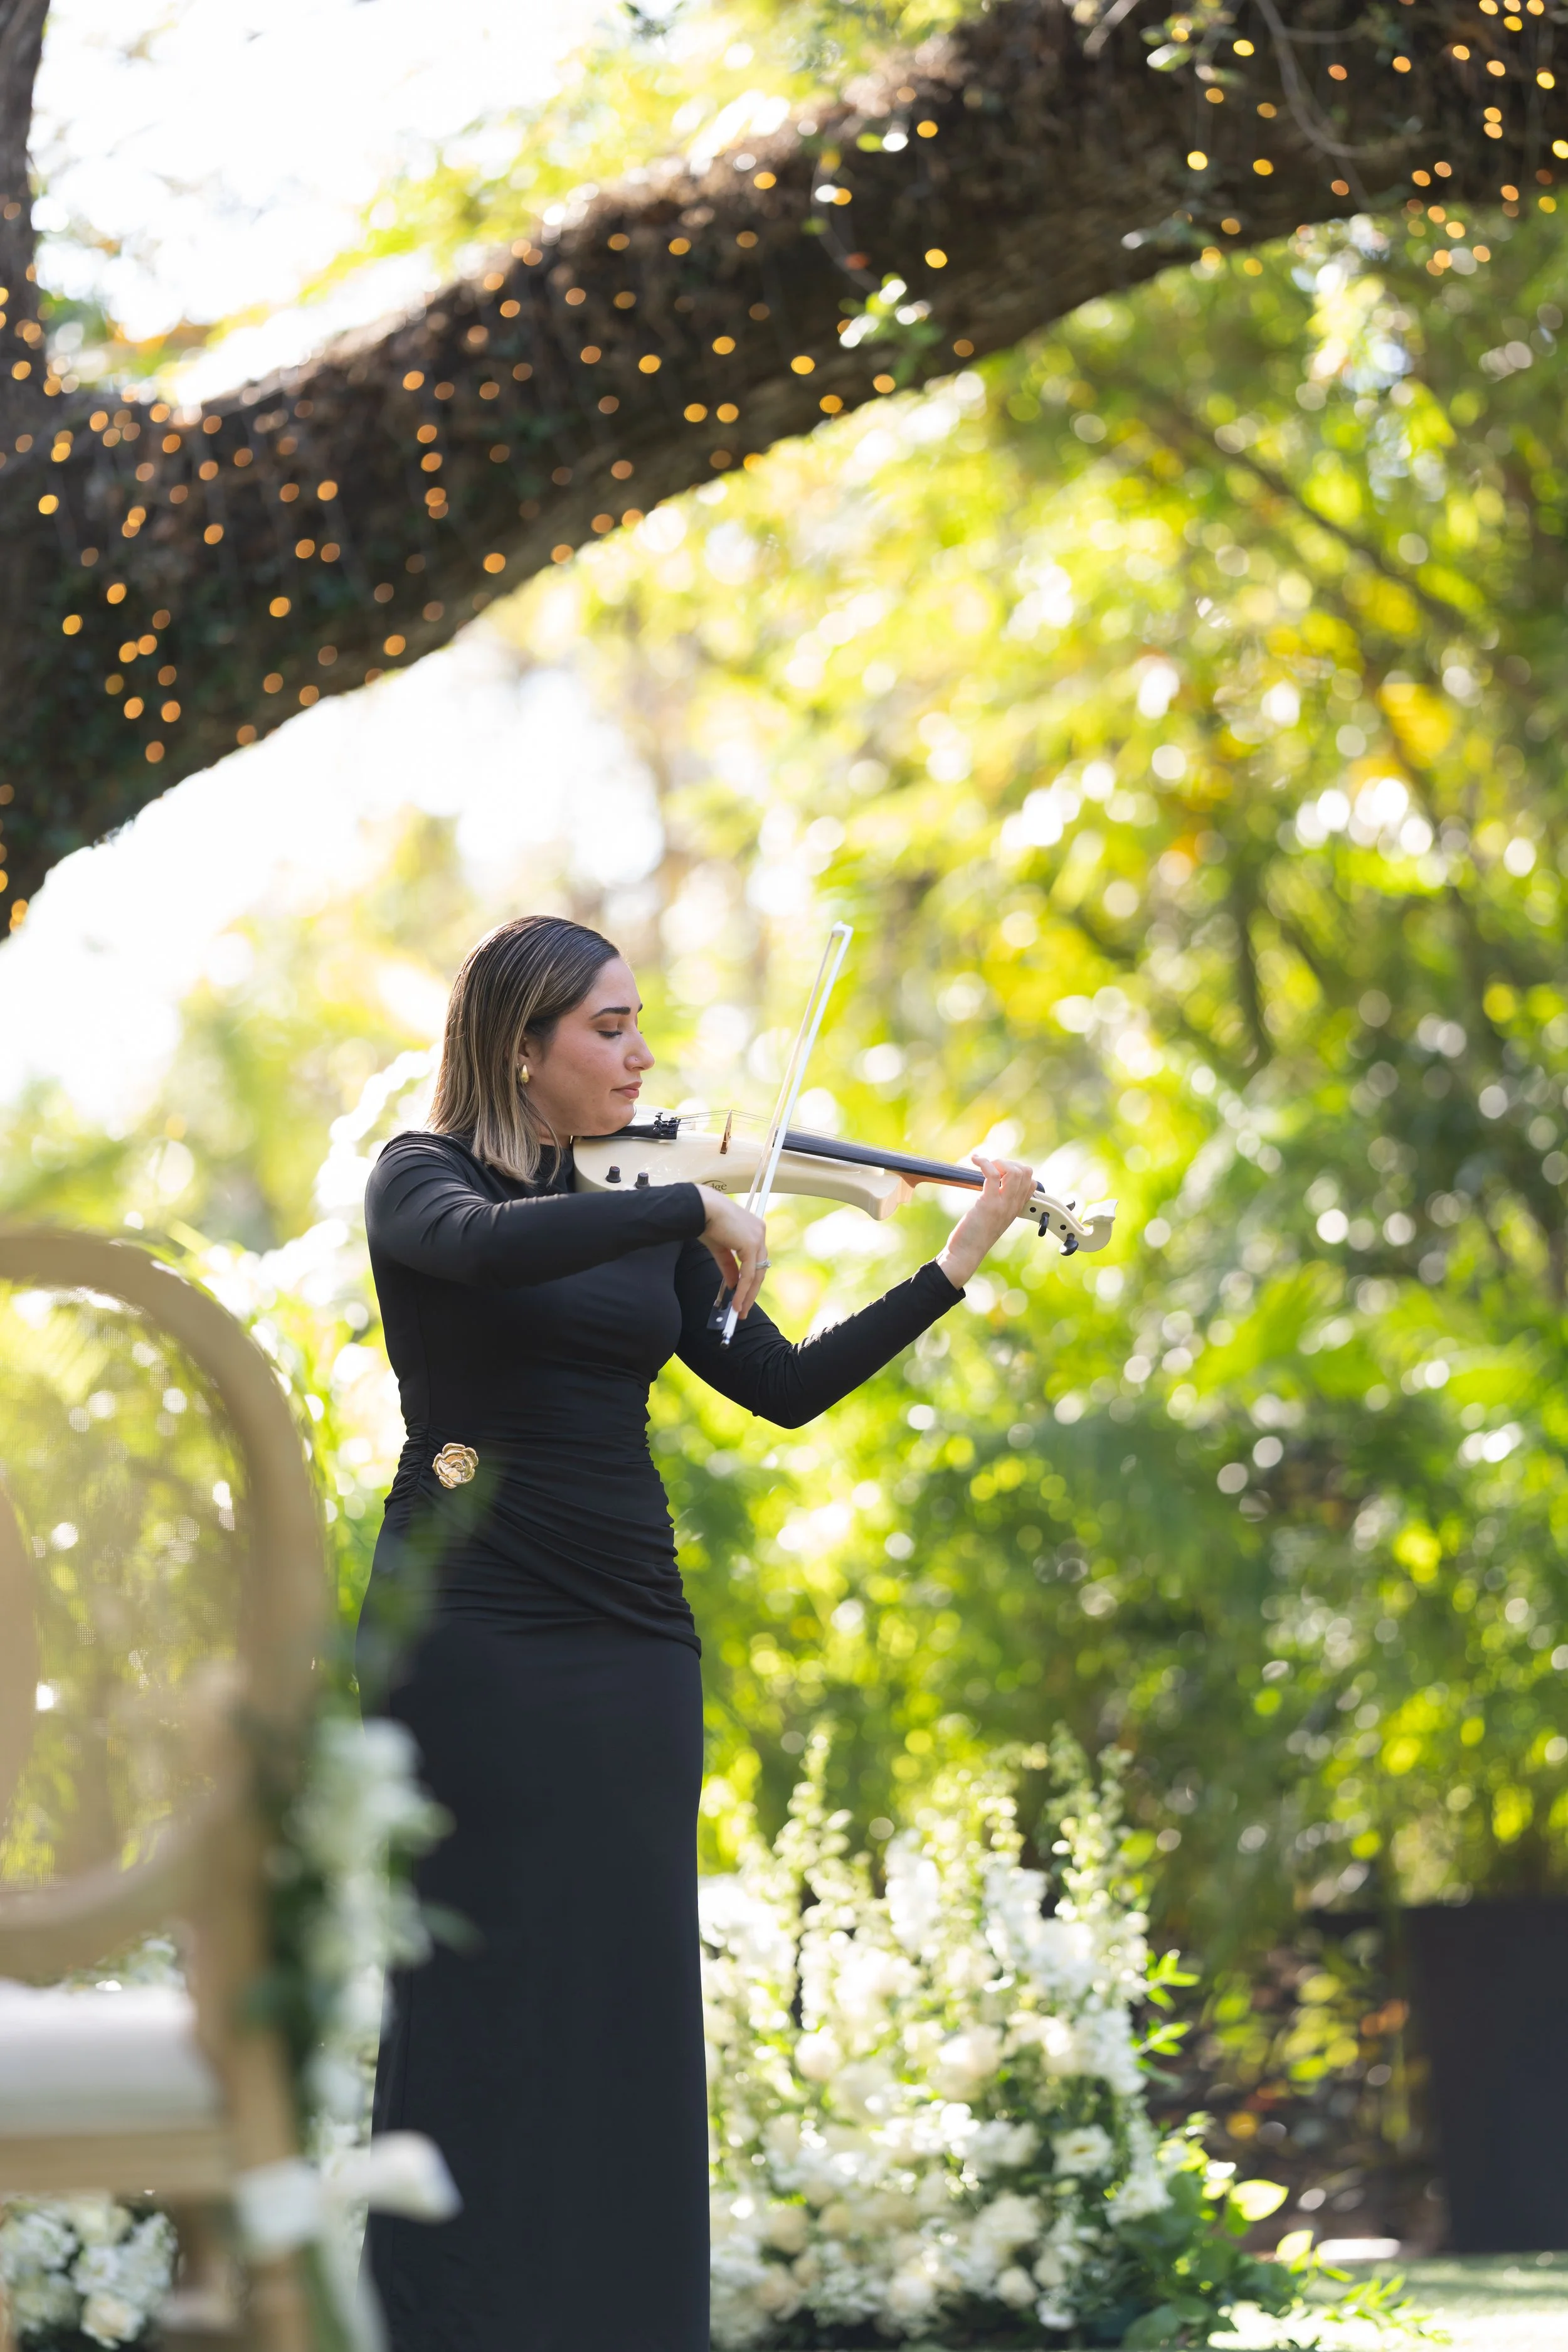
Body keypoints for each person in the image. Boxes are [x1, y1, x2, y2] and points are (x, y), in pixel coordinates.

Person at [356, 913, 1040, 2352]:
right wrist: (688, 1206)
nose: (642, 1053)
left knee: (627, 2005)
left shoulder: (654, 1194)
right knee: (478, 1995)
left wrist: (955, 1260)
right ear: (518, 1044)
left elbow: (780, 1388)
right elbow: (480, 1251)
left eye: (636, 1022)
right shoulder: (424, 1178)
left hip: (627, 1631)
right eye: (607, 1026)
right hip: (471, 1623)